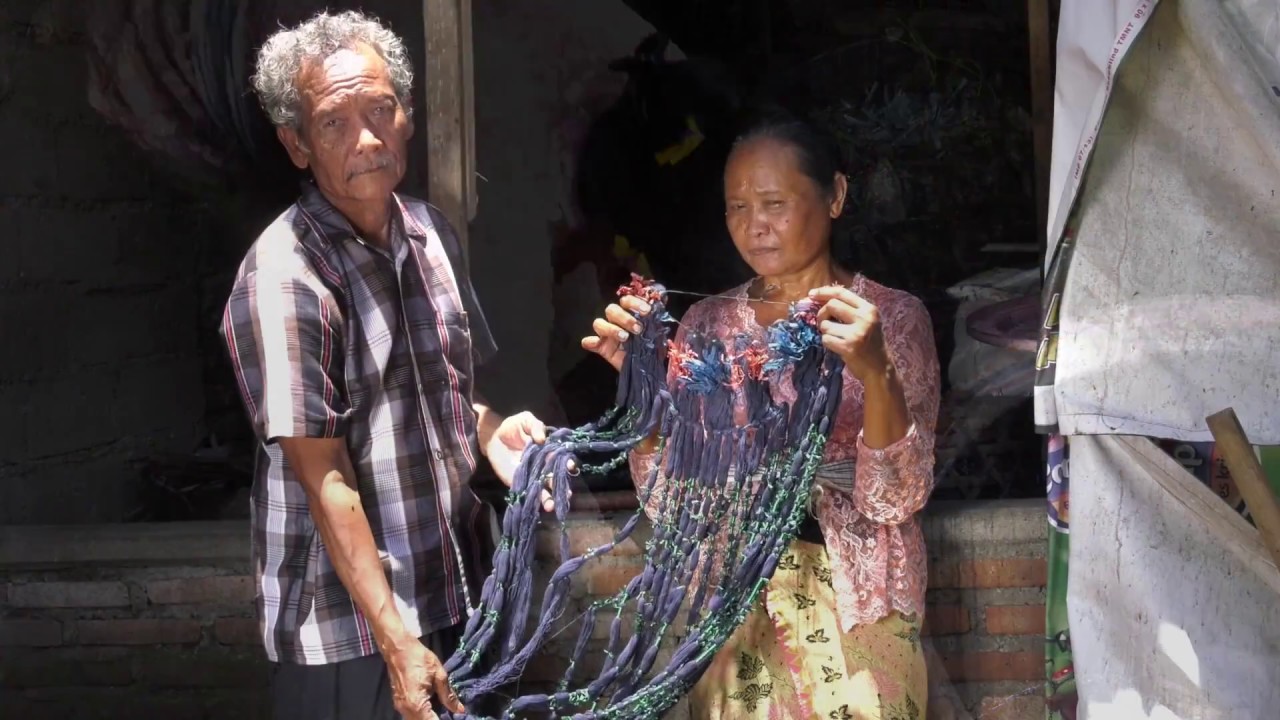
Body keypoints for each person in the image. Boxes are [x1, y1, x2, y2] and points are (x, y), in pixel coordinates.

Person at [221, 11, 552, 720]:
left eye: (381, 109)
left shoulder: (432, 237)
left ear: (407, 116)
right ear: (297, 144)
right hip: (348, 630)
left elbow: (450, 397)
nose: (367, 138)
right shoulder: (287, 275)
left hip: (453, 591)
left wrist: (496, 436)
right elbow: (325, 475)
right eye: (334, 122)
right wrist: (396, 641)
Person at [582, 108, 941, 719]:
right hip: (734, 599)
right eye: (737, 208)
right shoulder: (706, 327)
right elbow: (673, 502)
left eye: (774, 203)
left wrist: (874, 369)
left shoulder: (889, 319)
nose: (755, 227)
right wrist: (642, 394)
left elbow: (895, 497)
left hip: (859, 602)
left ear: (835, 196)